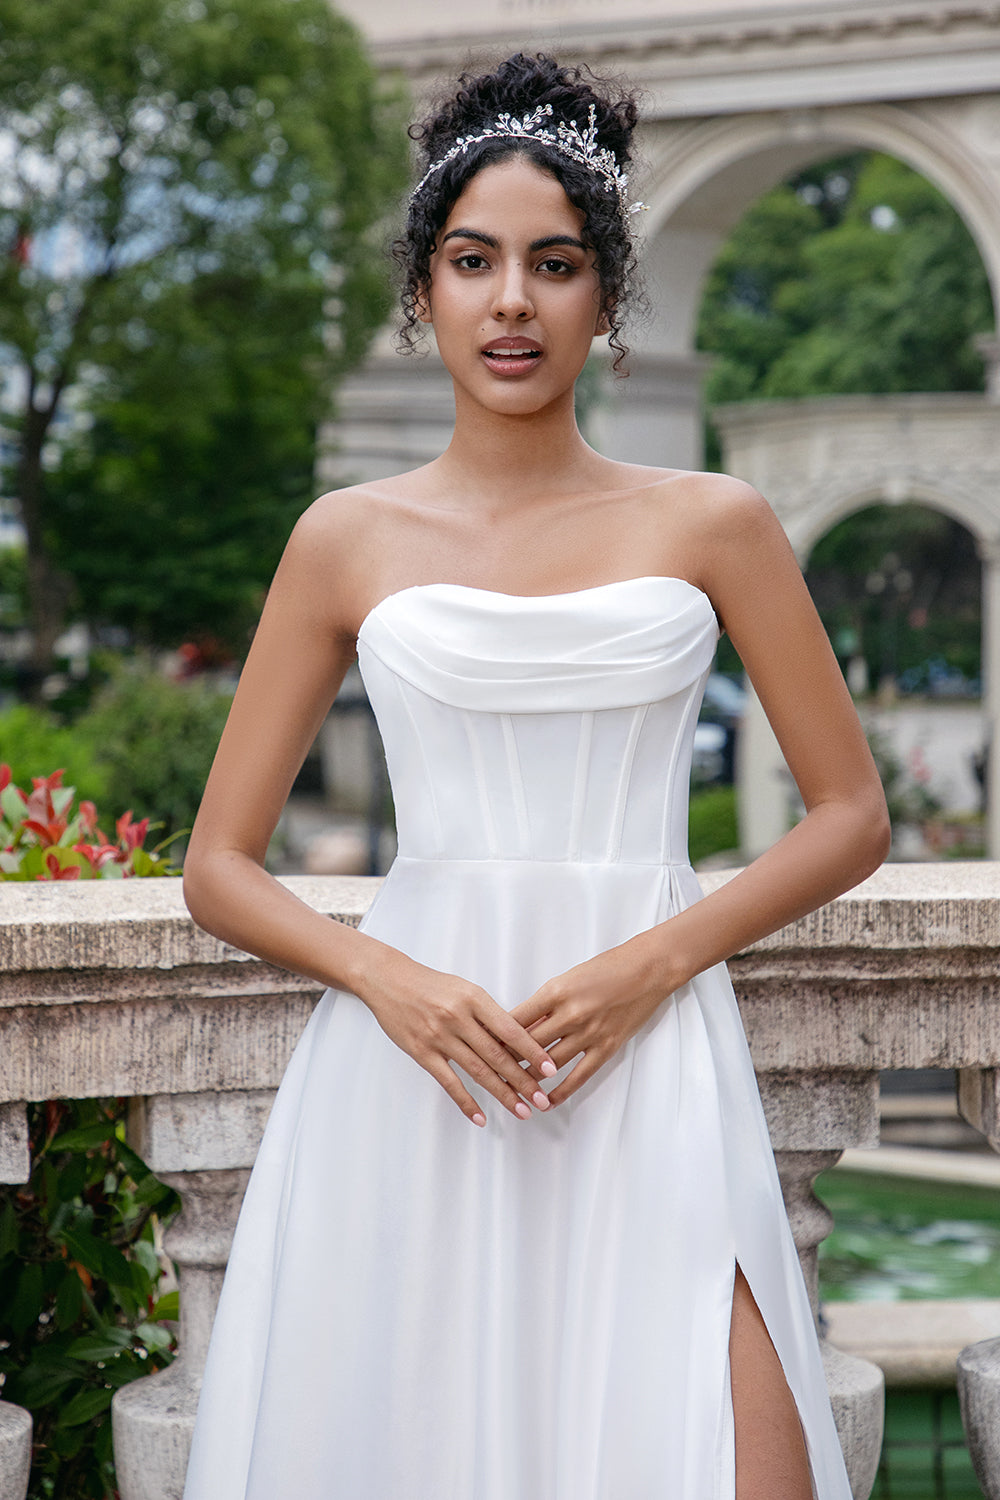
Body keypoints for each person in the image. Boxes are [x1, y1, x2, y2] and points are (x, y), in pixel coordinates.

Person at [181, 52, 890, 1500]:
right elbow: (221, 865)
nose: (513, 301)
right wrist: (391, 976)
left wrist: (655, 962)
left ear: (608, 296)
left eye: (554, 265)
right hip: (420, 1073)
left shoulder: (717, 522)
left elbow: (852, 813)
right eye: (473, 261)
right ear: (425, 290)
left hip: (651, 1057)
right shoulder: (344, 539)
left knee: (742, 1458)